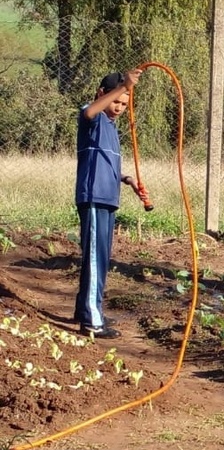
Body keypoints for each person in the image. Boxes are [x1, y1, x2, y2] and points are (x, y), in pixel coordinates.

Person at [74, 69, 149, 339]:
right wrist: (125, 86)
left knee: (100, 258)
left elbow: (106, 164)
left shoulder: (111, 128)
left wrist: (127, 179)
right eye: (116, 101)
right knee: (95, 258)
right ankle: (93, 321)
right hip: (93, 197)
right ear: (102, 94)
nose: (118, 108)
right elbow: (90, 112)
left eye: (124, 104)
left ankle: (85, 311)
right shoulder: (92, 117)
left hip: (108, 199)